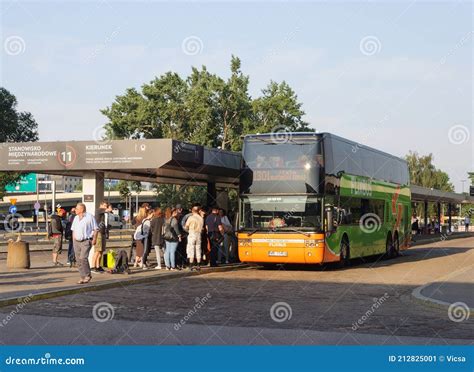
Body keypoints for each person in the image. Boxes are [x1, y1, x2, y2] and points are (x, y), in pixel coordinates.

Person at [71, 203, 99, 284]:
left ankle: (87, 275)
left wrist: (94, 239)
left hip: (86, 241)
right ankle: (82, 276)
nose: (75, 209)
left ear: (82, 209)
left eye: (77, 208)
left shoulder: (89, 217)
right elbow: (73, 230)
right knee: (78, 260)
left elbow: (96, 229)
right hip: (76, 241)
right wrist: (73, 241)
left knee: (83, 258)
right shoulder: (76, 218)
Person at [185, 206, 204, 271]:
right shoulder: (201, 218)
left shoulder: (191, 218)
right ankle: (198, 265)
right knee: (198, 249)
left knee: (191, 249)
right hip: (198, 234)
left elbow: (186, 226)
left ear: (192, 211)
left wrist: (187, 229)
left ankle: (191, 265)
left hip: (192, 233)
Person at [91, 201, 109, 273]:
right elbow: (108, 210)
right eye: (105, 205)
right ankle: (93, 266)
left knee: (101, 250)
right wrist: (108, 207)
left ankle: (98, 266)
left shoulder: (103, 213)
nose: (105, 207)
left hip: (103, 232)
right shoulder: (99, 210)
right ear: (101, 205)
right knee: (97, 250)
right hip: (98, 233)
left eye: (106, 206)